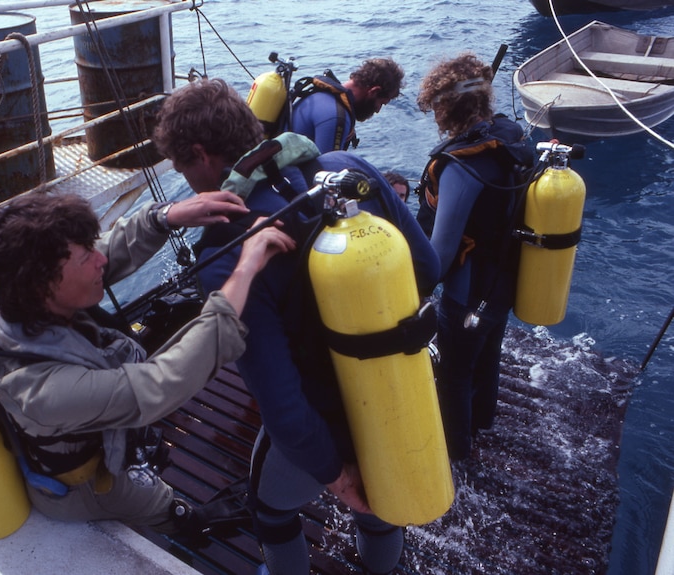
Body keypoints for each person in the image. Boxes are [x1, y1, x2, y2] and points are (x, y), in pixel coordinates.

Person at [153, 78, 440, 575]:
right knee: (382, 501)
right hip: (400, 387)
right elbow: (428, 268)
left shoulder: (224, 253)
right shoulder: (348, 170)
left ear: (201, 155)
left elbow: (283, 408)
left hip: (323, 416)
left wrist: (334, 476)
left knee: (272, 510)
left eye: (182, 167)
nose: (190, 181)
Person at [0, 191, 295, 534]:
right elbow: (163, 383)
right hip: (89, 487)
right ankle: (186, 524)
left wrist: (166, 215)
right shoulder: (42, 391)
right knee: (154, 502)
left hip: (94, 427)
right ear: (42, 285)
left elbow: (105, 251)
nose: (101, 261)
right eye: (86, 258)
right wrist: (246, 266)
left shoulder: (22, 303)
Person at [415, 52, 533, 461]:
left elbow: (442, 252)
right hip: (504, 280)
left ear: (448, 106)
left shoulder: (460, 167)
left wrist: (413, 291)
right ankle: (483, 423)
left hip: (467, 293)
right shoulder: (510, 138)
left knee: (454, 374)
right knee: (488, 356)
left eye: (436, 107)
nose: (435, 117)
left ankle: (456, 457)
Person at [290, 58, 404, 153]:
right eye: (381, 103)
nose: (378, 110)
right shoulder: (337, 117)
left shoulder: (322, 96)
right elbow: (324, 172)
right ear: (374, 91)